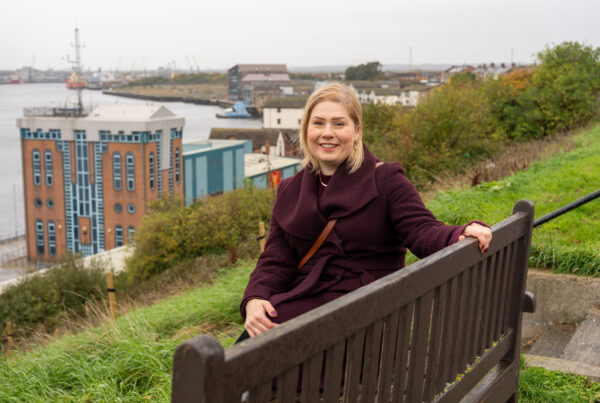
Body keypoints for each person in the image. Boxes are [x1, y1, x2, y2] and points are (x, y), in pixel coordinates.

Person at [239, 83, 491, 340]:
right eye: (318, 124)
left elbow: (421, 230)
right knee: (248, 345)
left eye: (339, 124)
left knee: (251, 355)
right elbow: (276, 259)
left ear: (357, 131)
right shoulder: (289, 191)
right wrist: (255, 297)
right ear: (305, 131)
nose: (328, 133)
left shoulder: (385, 179)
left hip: (370, 313)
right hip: (310, 303)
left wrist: (459, 233)